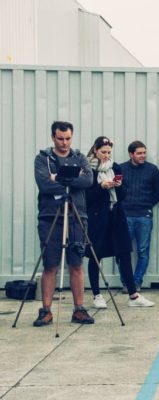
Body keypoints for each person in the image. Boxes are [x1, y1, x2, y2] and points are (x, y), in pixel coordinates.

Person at [33, 121, 95, 326]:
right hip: (51, 217)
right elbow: (43, 184)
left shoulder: (79, 157)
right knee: (50, 265)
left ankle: (79, 309)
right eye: (60, 138)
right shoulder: (43, 158)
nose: (64, 142)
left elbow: (88, 181)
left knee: (76, 264)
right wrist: (68, 180)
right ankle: (46, 311)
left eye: (68, 138)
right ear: (53, 137)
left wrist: (57, 179)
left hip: (77, 216)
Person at [85, 136, 155, 309]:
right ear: (95, 150)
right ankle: (97, 295)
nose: (106, 155)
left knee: (124, 252)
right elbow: (86, 197)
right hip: (96, 217)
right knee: (96, 255)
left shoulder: (115, 167)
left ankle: (133, 295)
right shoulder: (88, 169)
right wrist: (102, 188)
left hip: (116, 213)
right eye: (103, 152)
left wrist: (118, 185)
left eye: (109, 152)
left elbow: (123, 195)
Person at [120, 140, 159, 289]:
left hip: (144, 216)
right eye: (139, 153)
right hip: (125, 216)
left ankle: (136, 281)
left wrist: (146, 205)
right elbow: (116, 191)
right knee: (122, 251)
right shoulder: (121, 169)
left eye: (144, 153)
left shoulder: (152, 170)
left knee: (143, 251)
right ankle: (126, 282)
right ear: (131, 154)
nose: (142, 156)